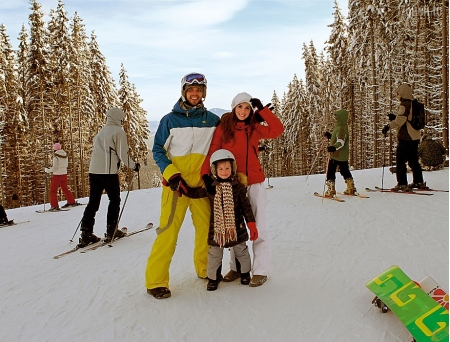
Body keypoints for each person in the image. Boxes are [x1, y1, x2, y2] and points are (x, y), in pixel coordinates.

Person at [145, 72, 220, 299]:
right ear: (184, 92)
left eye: (198, 90)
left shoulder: (213, 121)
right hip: (176, 187)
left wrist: (212, 177)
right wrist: (172, 175)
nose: (195, 94)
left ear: (203, 93)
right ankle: (156, 281)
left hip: (200, 186)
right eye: (190, 90)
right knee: (168, 232)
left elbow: (221, 147)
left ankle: (205, 269)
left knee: (206, 230)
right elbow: (158, 150)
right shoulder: (170, 120)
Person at [201, 92, 284, 287]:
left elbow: (277, 129)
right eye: (240, 107)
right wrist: (205, 176)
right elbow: (213, 150)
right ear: (234, 108)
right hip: (231, 183)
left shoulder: (254, 127)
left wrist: (262, 109)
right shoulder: (224, 128)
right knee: (234, 224)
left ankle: (260, 270)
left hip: (254, 181)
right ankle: (237, 268)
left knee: (259, 226)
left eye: (248, 108)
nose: (244, 111)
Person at [182, 149, 258, 291]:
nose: (224, 171)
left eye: (227, 168)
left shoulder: (238, 187)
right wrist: (183, 188)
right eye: (221, 168)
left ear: (233, 168)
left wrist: (251, 225)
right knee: (214, 254)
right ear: (214, 170)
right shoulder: (210, 188)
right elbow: (195, 193)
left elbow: (246, 207)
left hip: (237, 228)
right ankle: (213, 278)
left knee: (241, 251)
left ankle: (245, 273)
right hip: (216, 230)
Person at [78, 108, 140, 248]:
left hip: (94, 171)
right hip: (108, 172)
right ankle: (111, 231)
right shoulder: (118, 132)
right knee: (114, 200)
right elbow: (123, 154)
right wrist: (134, 166)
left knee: (93, 202)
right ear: (118, 118)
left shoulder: (102, 131)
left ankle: (86, 233)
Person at [382, 84, 426, 190]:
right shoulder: (413, 103)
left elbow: (401, 121)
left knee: (400, 161)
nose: (397, 95)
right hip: (415, 136)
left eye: (398, 92)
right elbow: (406, 118)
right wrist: (395, 117)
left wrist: (388, 126)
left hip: (406, 137)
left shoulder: (404, 104)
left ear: (402, 93)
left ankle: (402, 183)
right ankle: (418, 181)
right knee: (413, 160)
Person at [323, 109, 358, 197]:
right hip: (343, 155)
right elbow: (339, 138)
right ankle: (351, 188)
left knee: (330, 171)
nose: (335, 118)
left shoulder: (341, 128)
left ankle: (331, 190)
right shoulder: (341, 127)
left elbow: (341, 141)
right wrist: (331, 136)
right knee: (344, 170)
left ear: (341, 118)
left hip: (336, 154)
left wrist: (333, 147)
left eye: (337, 117)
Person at [44, 143, 79, 211]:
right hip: (64, 174)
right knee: (65, 189)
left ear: (54, 149)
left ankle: (54, 206)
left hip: (57, 175)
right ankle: (71, 201)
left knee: (53, 191)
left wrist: (47, 170)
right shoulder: (65, 155)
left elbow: (54, 168)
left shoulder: (56, 157)